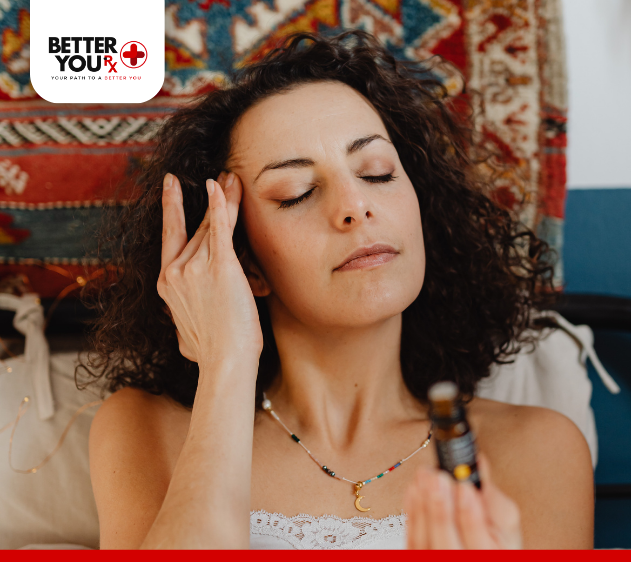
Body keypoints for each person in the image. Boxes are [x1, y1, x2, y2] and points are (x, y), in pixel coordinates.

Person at [81, 30, 594, 550]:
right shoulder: (145, 431)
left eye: (377, 173)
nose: (355, 206)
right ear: (244, 262)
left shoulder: (538, 448)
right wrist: (226, 367)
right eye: (297, 193)